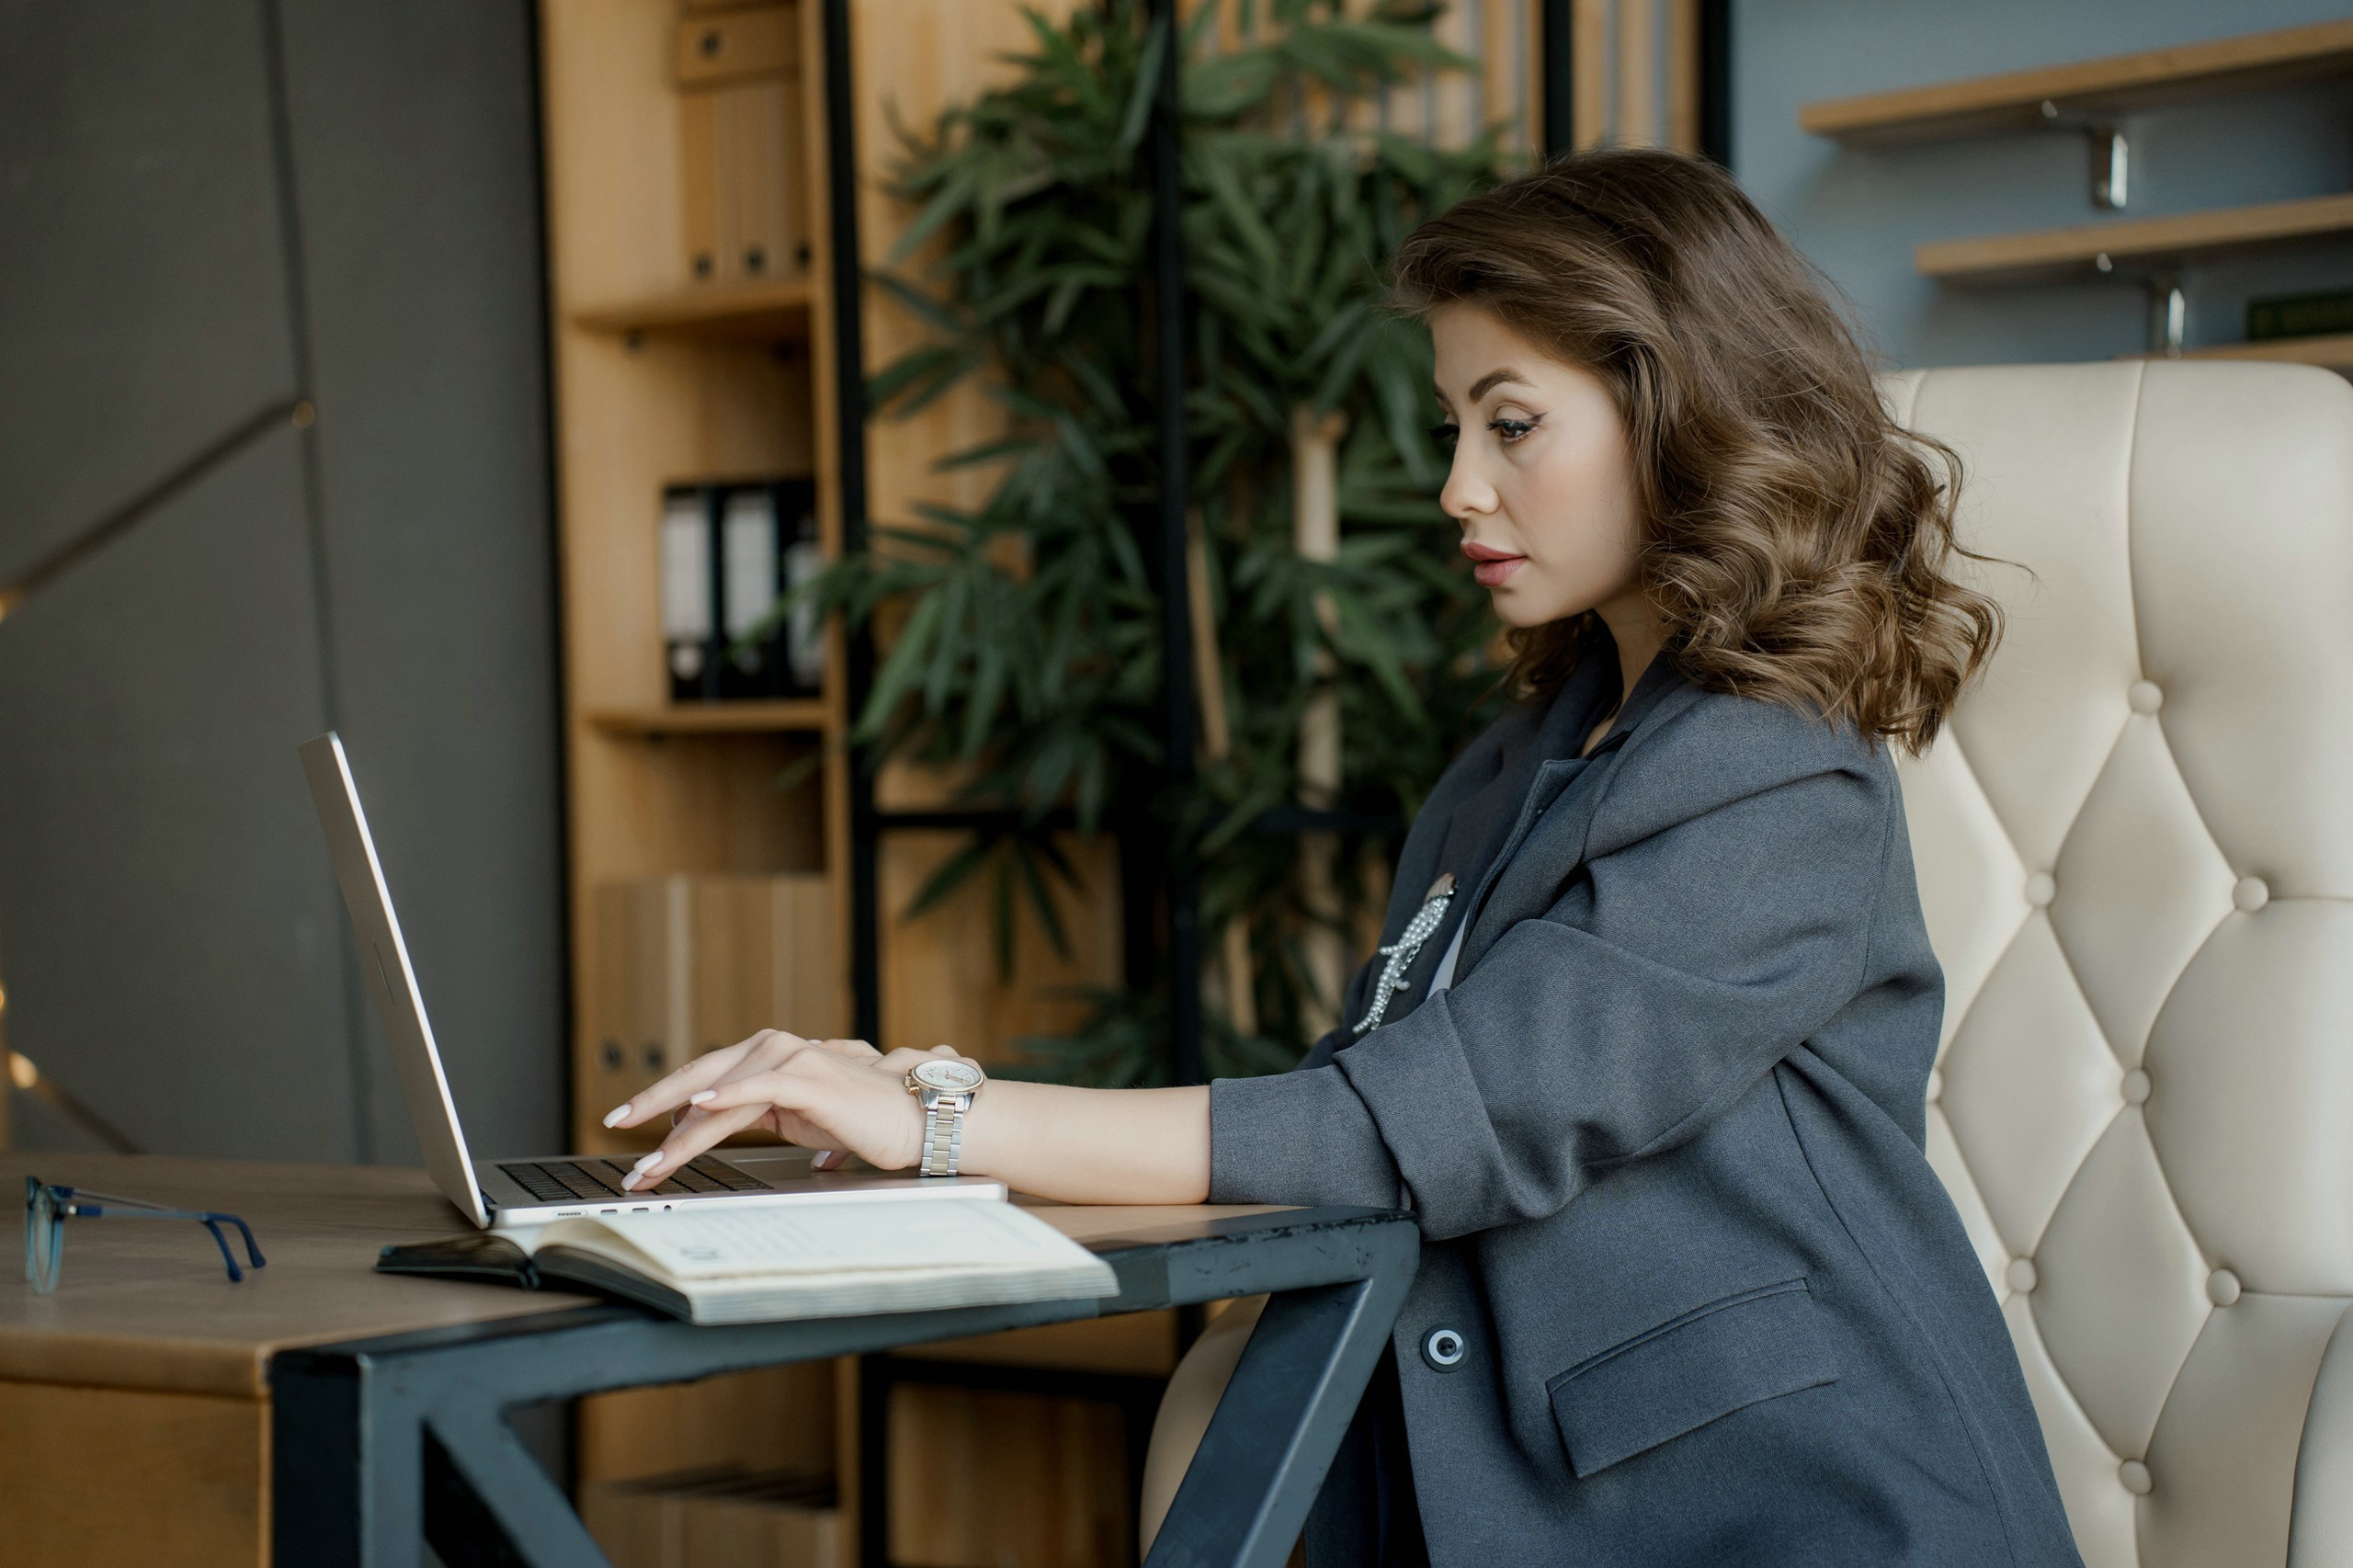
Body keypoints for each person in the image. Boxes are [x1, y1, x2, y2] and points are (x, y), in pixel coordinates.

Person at [603, 148, 2084, 1566]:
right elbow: (1343, 1115)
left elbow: (1421, 1126)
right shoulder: (1506, 772)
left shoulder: (1776, 774)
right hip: (1545, 1499)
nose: (1457, 487)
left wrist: (944, 1116)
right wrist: (923, 1112)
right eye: (1454, 426)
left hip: (1801, 1514)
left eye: (1510, 424)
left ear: (1674, 408)